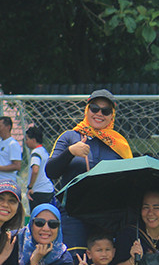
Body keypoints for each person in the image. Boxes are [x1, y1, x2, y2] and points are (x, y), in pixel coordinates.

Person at [45, 89, 133, 248]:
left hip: (107, 215)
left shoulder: (119, 144)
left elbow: (129, 182)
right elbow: (50, 171)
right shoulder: (70, 137)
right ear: (87, 110)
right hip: (73, 213)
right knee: (76, 260)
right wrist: (70, 152)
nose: (99, 113)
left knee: (102, 263)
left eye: (105, 111)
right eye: (94, 108)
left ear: (112, 115)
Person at [24, 125, 54, 208]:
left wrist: (30, 187)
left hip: (38, 191)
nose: (25, 142)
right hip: (48, 189)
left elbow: (35, 170)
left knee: (37, 217)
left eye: (27, 139)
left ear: (33, 140)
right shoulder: (44, 151)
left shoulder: (35, 153)